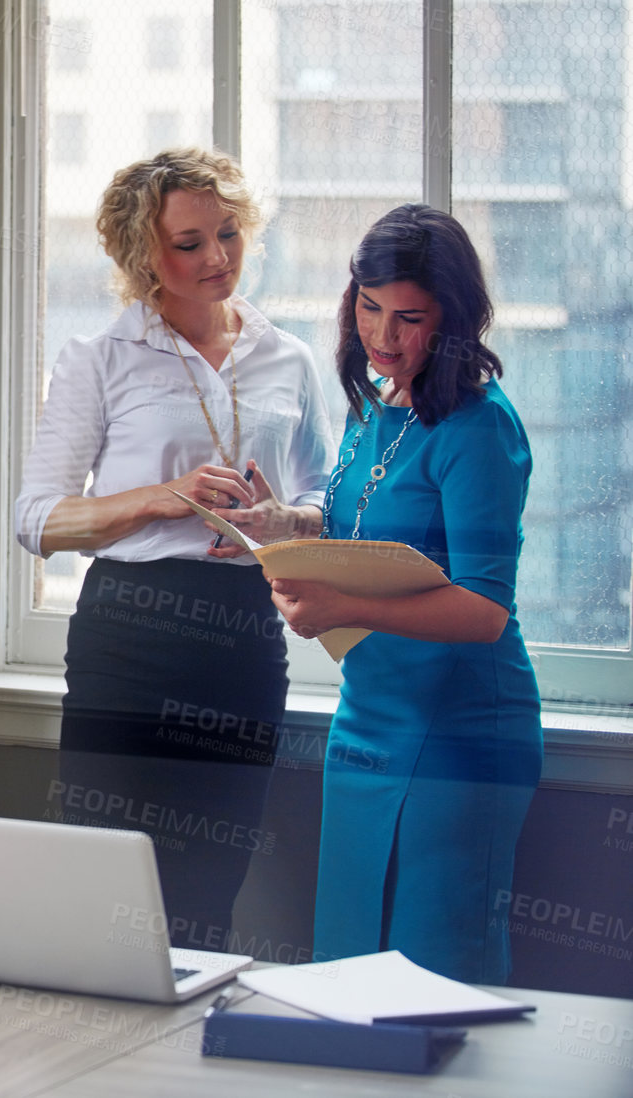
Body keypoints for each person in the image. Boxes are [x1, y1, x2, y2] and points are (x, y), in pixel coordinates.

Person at [16, 148, 335, 950]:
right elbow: (38, 519)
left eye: (227, 233)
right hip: (127, 633)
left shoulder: (288, 358)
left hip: (243, 637)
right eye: (188, 243)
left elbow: (328, 505)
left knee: (208, 888)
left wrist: (280, 522)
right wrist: (163, 499)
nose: (217, 257)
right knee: (105, 881)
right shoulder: (99, 358)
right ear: (141, 256)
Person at [266, 203, 540, 985]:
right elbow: (363, 522)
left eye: (409, 318)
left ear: (453, 319)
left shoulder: (481, 428)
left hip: (460, 731)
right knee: (347, 963)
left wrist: (346, 609)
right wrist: (284, 520)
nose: (383, 336)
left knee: (430, 978)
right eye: (369, 306)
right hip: (369, 719)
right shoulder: (377, 400)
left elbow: (485, 611)